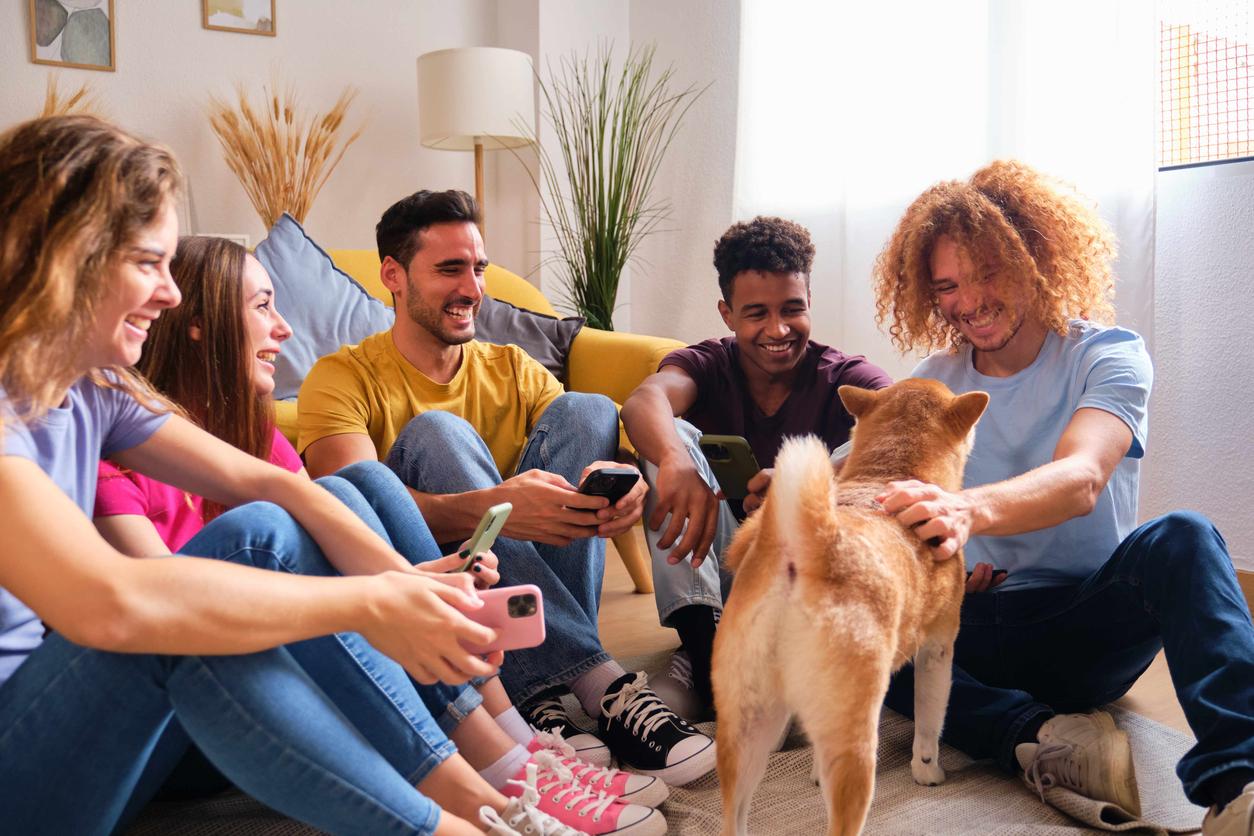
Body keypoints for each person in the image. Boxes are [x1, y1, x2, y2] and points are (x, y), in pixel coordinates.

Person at [0, 113, 587, 836]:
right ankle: (473, 817)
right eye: (147, 262)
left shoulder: (94, 388)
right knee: (210, 590)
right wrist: (368, 608)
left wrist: (406, 589)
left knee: (275, 526)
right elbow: (113, 605)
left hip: (95, 728)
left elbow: (279, 485)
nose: (172, 291)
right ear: (68, 255)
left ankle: (486, 807)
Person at [92, 234, 667, 835]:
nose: (284, 329)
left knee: (362, 484)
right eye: (262, 306)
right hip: (194, 709)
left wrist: (419, 584)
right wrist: (377, 598)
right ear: (198, 323)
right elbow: (165, 616)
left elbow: (328, 512)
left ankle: (517, 747)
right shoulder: (113, 448)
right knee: (279, 526)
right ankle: (502, 770)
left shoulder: (251, 437)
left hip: (273, 671)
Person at [871, 159, 1254, 835]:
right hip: (976, 626)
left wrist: (966, 510)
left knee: (1187, 535)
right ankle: (1046, 738)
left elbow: (1080, 478)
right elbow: (868, 482)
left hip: (1083, 631)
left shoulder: (1108, 355)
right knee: (878, 632)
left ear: (1033, 256)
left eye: (987, 271)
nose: (970, 301)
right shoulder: (932, 382)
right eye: (948, 286)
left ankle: (1240, 786)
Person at [298, 189, 717, 786]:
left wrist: (623, 494)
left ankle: (541, 698)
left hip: (524, 605)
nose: (471, 288)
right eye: (449, 269)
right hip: (439, 598)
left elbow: (591, 464)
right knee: (440, 435)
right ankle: (603, 685)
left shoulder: (513, 368)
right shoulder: (341, 377)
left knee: (588, 410)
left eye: (477, 268)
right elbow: (355, 510)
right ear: (393, 275)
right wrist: (496, 510)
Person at [619, 216, 892, 719]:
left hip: (808, 587)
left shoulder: (844, 375)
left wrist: (806, 482)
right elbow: (644, 401)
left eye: (793, 309)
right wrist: (677, 461)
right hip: (719, 579)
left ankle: (743, 671)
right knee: (669, 438)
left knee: (861, 447)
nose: (778, 330)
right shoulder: (707, 363)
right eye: (756, 313)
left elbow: (903, 429)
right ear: (726, 313)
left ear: (810, 302)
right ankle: (708, 656)